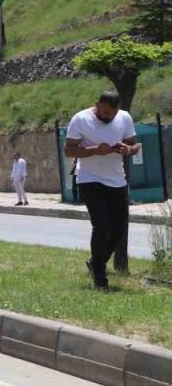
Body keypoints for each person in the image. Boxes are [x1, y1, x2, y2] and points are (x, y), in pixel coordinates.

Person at [64, 90, 139, 290]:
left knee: (119, 229)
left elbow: (135, 145)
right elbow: (69, 150)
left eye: (112, 114)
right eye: (105, 113)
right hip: (89, 179)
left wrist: (127, 149)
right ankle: (100, 278)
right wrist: (94, 150)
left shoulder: (124, 118)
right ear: (97, 105)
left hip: (117, 179)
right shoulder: (80, 119)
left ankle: (95, 262)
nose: (108, 118)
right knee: (101, 227)